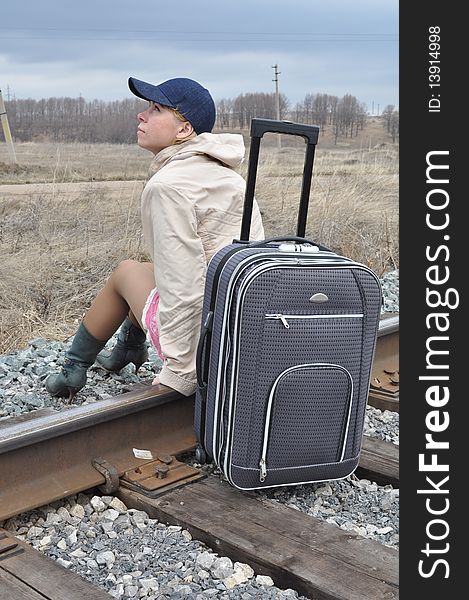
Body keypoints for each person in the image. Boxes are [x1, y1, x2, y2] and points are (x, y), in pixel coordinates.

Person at [45, 76, 265, 400]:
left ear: (184, 130)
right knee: (145, 270)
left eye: (156, 109)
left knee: (125, 273)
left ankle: (72, 371)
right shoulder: (228, 177)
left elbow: (182, 284)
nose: (142, 115)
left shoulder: (169, 187)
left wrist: (181, 371)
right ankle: (128, 351)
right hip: (239, 329)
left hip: (203, 341)